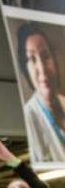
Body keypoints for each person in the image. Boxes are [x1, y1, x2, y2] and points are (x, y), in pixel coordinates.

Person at [18, 23, 65, 162]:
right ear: (25, 68)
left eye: (45, 56)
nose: (42, 69)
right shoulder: (29, 115)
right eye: (32, 59)